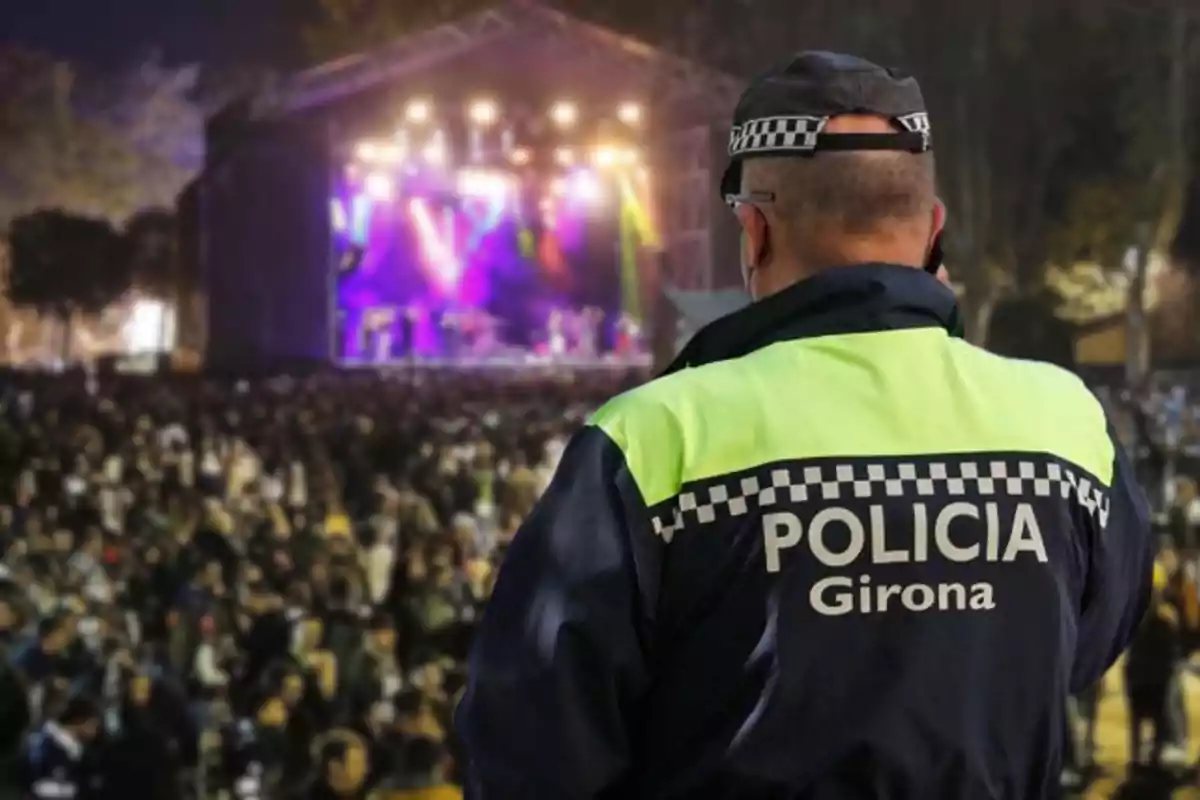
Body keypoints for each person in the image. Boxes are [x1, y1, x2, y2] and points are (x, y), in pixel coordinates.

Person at [455, 52, 1154, 797]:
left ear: (754, 230)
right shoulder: (1064, 424)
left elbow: (532, 742)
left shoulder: (653, 440)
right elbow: (1080, 651)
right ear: (934, 230)